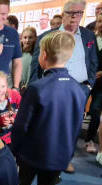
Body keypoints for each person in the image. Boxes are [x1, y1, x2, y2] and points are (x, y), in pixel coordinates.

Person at [12, 31, 86, 185]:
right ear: (70, 56)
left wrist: (13, 152)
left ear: (43, 55)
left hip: (30, 154)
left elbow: (20, 126)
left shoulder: (37, 88)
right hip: (60, 154)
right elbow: (76, 127)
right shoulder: (78, 90)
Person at [29, 0, 98, 173]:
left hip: (80, 89)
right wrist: (34, 89)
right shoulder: (47, 36)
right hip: (52, 89)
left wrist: (89, 86)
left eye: (79, 13)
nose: (75, 16)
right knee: (48, 124)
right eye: (71, 12)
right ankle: (43, 155)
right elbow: (35, 67)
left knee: (73, 126)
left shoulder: (89, 36)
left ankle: (66, 159)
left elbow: (93, 63)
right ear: (64, 13)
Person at [0, 71, 21, 146]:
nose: (0, 91)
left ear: (7, 85)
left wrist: (14, 118)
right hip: (0, 141)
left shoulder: (13, 95)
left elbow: (23, 108)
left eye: (3, 86)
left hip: (16, 136)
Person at [85, 13, 102, 154]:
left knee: (95, 110)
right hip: (86, 79)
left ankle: (89, 139)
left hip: (101, 84)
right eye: (99, 21)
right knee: (78, 108)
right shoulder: (90, 38)